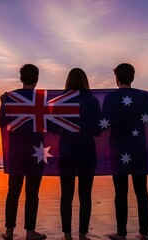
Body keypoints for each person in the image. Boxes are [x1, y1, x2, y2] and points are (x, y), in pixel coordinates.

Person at [103, 63, 148, 240]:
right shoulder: (143, 98)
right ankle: (144, 233)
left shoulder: (109, 98)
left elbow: (104, 123)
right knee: (141, 192)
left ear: (117, 79)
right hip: (138, 150)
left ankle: (121, 234)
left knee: (120, 192)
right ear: (133, 77)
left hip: (117, 150)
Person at [0, 64, 47, 240]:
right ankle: (30, 232)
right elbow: (52, 125)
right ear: (37, 79)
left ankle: (10, 232)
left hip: (16, 153)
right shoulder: (42, 99)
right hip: (37, 152)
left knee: (13, 192)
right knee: (32, 193)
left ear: (21, 78)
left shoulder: (11, 98)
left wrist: (3, 103)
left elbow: (2, 123)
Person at [57, 68, 101, 240]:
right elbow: (98, 131)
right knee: (85, 196)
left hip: (66, 151)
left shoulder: (60, 101)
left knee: (66, 195)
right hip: (87, 151)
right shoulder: (93, 102)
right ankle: (83, 235)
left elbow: (53, 129)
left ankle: (67, 235)